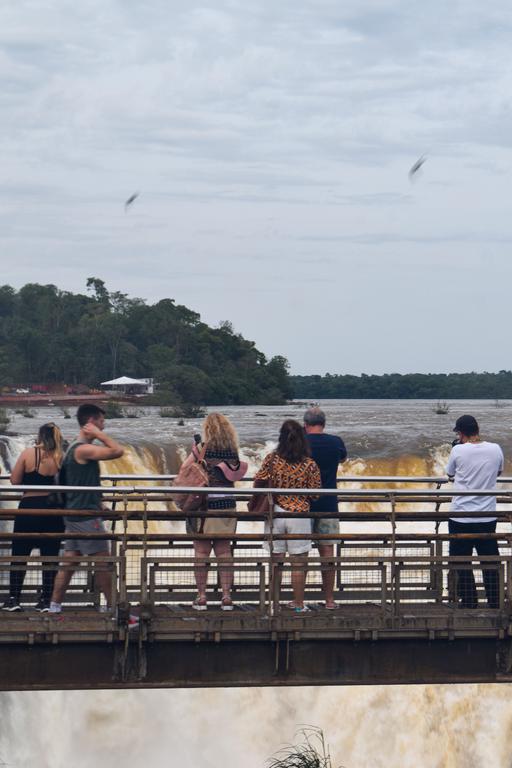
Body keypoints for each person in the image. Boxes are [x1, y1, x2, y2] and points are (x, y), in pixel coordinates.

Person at [49, 404, 124, 616]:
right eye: (101, 421)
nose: (104, 425)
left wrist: (98, 502)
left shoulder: (74, 447)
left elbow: (81, 481)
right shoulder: (82, 449)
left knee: (69, 563)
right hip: (85, 517)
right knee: (104, 563)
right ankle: (115, 610)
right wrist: (100, 435)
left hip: (75, 514)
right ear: (91, 422)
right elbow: (118, 451)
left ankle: (54, 606)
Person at [180, 413, 247, 611]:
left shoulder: (202, 448)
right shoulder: (232, 450)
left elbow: (184, 468)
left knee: (201, 553)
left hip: (205, 508)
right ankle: (226, 597)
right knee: (224, 553)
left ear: (207, 429)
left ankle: (202, 597)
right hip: (227, 507)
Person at [254, 419, 321, 612]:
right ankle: (298, 604)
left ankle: (273, 604)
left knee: (276, 561)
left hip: (275, 512)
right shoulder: (309, 464)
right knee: (298, 562)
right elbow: (315, 493)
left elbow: (259, 481)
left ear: (281, 438)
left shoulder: (271, 459)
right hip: (299, 515)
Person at [2, 423, 65, 612]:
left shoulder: (28, 454)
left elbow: (14, 480)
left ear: (40, 436)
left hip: (28, 509)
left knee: (20, 554)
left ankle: (14, 599)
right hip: (53, 511)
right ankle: (46, 600)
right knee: (50, 557)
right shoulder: (61, 457)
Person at [446, 414, 504, 609]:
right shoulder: (495, 448)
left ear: (461, 433)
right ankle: (495, 601)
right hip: (487, 515)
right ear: (477, 430)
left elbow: (450, 474)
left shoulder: (458, 450)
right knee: (489, 560)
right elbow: (498, 472)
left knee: (461, 560)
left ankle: (469, 600)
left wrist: (456, 449)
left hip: (460, 516)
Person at [304, 406, 347, 609]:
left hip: (302, 504)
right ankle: (329, 599)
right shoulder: (336, 442)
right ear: (324, 424)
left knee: (300, 553)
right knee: (328, 552)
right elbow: (343, 458)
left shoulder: (299, 443)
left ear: (305, 424)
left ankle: (298, 599)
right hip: (329, 503)